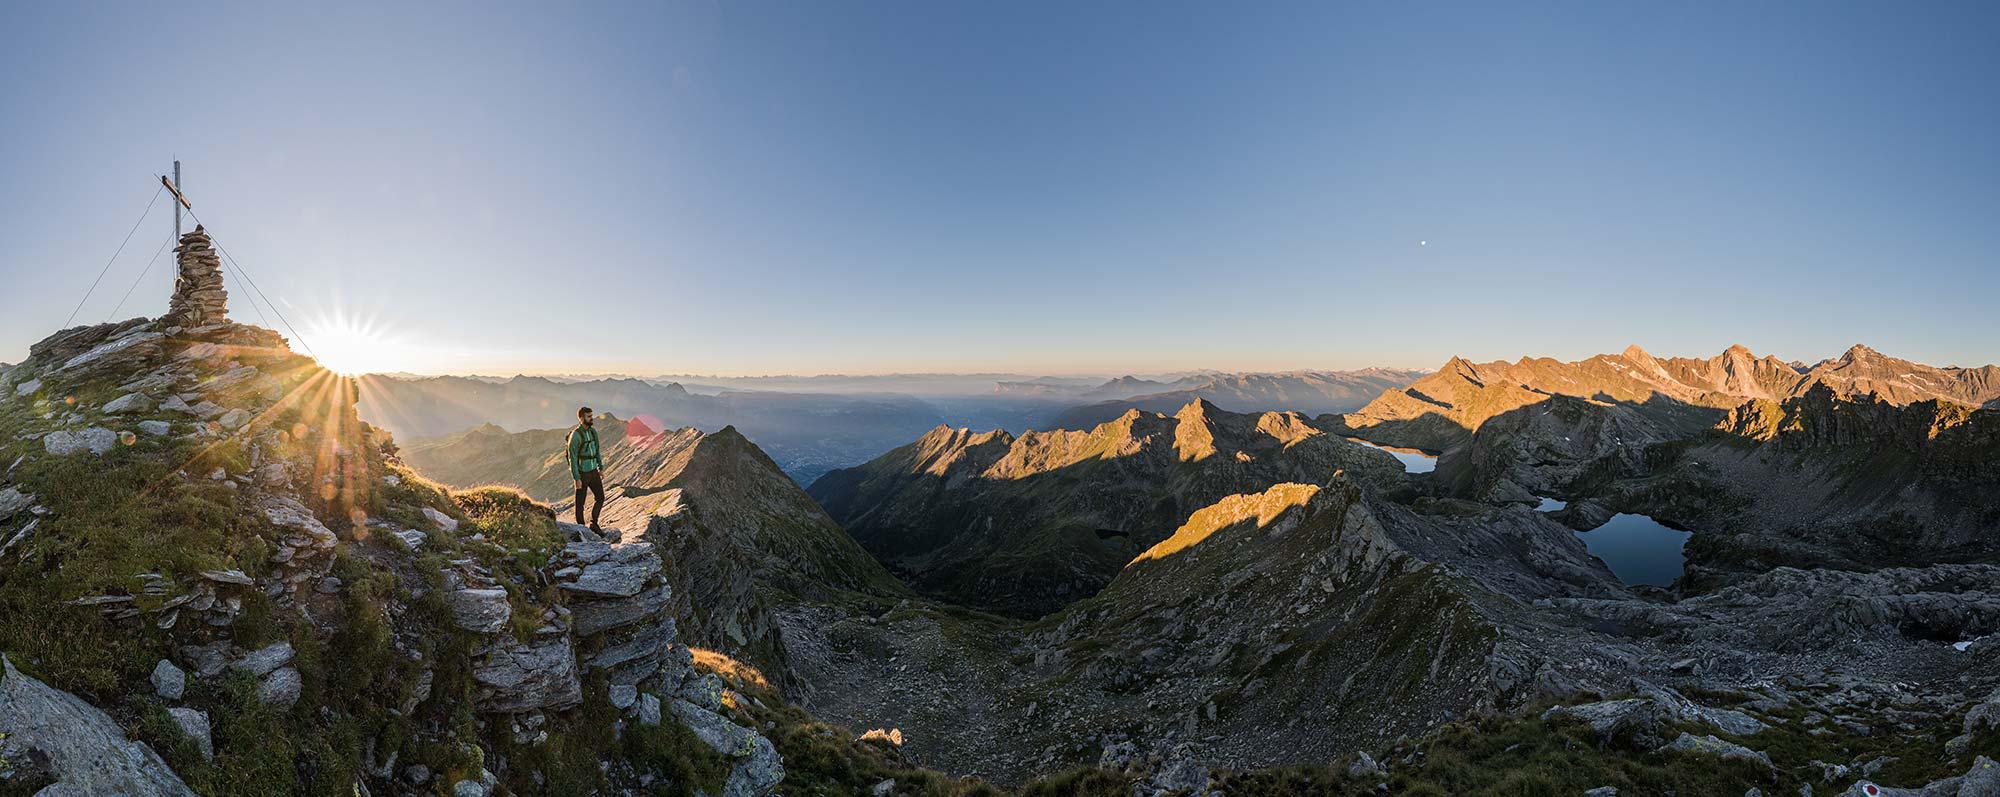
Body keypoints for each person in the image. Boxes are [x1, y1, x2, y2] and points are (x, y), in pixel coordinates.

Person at [567, 406, 606, 533]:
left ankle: (594, 524)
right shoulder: (575, 436)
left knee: (600, 497)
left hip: (594, 471)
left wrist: (601, 468)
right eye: (589, 416)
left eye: (591, 416)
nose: (591, 418)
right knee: (580, 503)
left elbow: (597, 451)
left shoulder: (593, 432)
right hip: (583, 473)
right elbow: (572, 458)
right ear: (581, 418)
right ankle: (581, 528)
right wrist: (576, 478)